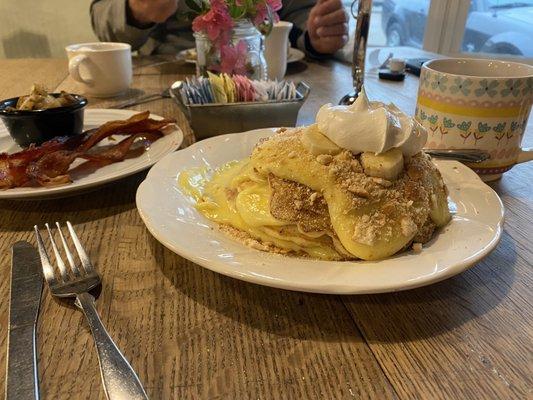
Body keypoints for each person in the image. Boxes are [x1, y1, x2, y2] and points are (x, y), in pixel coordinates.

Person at [90, 0, 348, 57]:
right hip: (169, 73)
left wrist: (317, 35)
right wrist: (136, 11)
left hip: (270, 78)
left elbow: (300, 15)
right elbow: (103, 17)